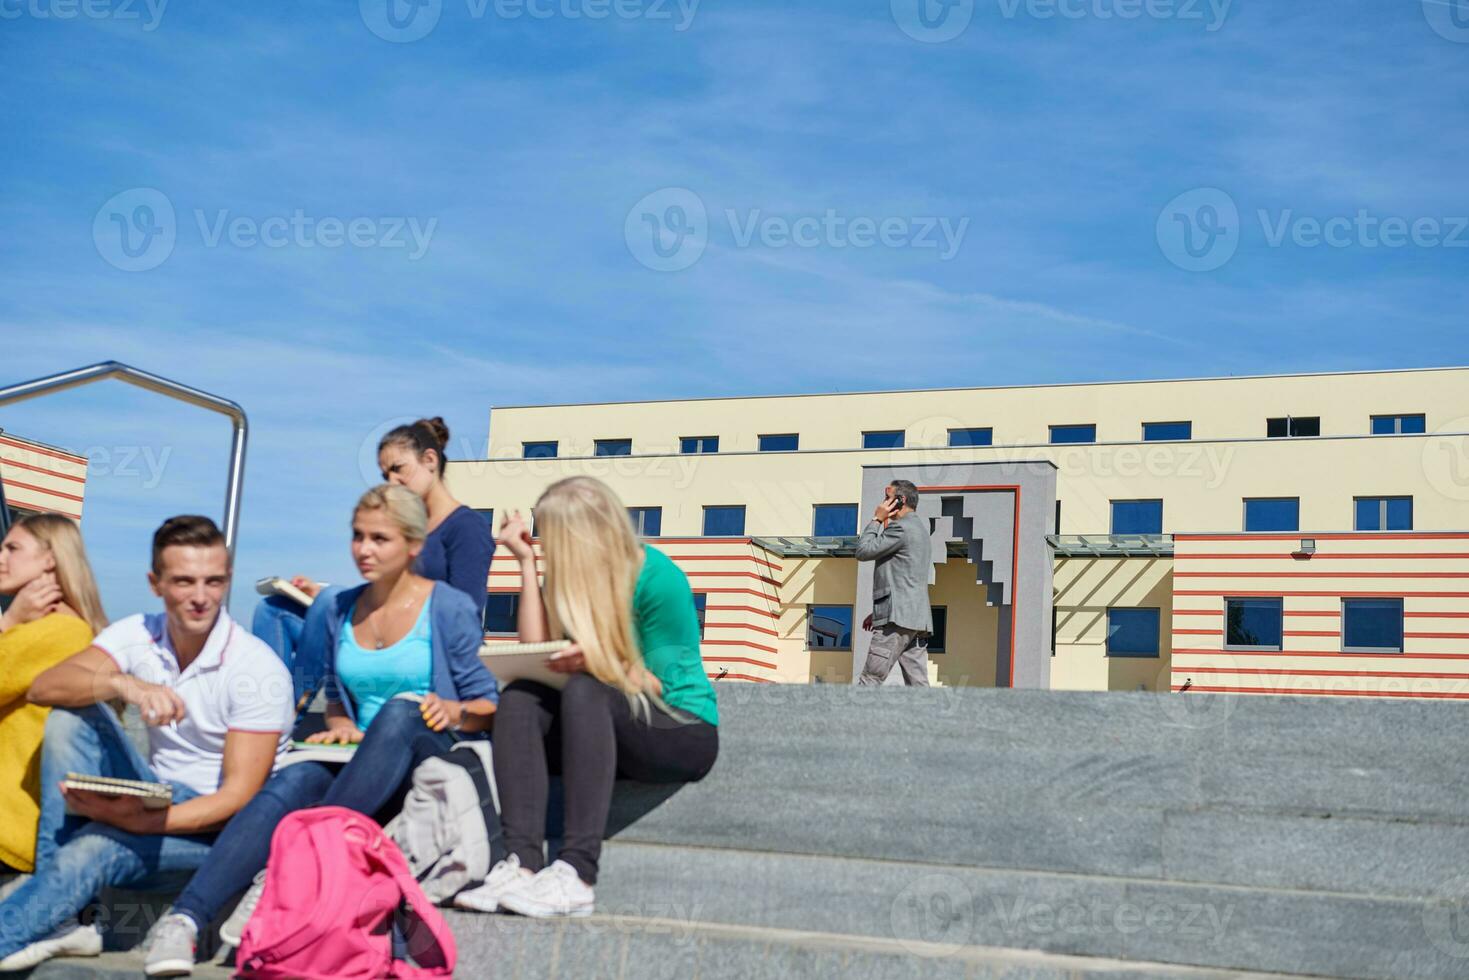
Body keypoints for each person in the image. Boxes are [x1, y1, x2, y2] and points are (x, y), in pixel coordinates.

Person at [143, 485, 498, 977]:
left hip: (426, 750)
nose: (364, 550)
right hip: (362, 765)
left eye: (380, 538)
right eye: (357, 536)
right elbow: (334, 697)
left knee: (399, 711)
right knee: (295, 778)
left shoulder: (448, 607)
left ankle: (283, 873)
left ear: (414, 545)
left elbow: (488, 704)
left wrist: (453, 709)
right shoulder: (338, 608)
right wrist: (340, 724)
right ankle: (184, 920)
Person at [0, 516, 293, 973]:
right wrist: (125, 684)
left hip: (214, 833)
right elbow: (45, 687)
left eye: (213, 582)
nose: (200, 597)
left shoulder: (256, 669)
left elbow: (238, 799)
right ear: (155, 583)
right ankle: (62, 919)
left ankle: (34, 924)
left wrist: (140, 822)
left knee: (94, 848)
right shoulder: (140, 632)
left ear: (227, 581)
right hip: (154, 792)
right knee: (71, 716)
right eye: (183, 581)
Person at [452, 476, 718, 919]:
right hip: (599, 719)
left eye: (551, 536)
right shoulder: (570, 578)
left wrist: (597, 661)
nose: (547, 544)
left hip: (680, 727)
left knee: (586, 687)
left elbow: (661, 685)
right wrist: (525, 563)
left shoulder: (657, 577)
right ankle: (522, 864)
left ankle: (577, 873)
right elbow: (536, 649)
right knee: (519, 696)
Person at [253, 417, 495, 710]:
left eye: (398, 469)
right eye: (385, 475)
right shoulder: (400, 526)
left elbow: (466, 611)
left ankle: (287, 717)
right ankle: (266, 712)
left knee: (331, 600)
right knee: (273, 610)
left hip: (422, 643)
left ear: (430, 460)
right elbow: (385, 591)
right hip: (379, 623)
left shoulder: (466, 527)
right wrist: (322, 599)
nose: (392, 482)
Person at [0, 514, 109, 877]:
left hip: (10, 833)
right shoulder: (54, 629)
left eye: (13, 548)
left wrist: (8, 622)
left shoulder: (61, 631)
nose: (1, 557)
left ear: (50, 559)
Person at [856, 479, 933, 687]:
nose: (883, 503)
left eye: (887, 498)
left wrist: (877, 519)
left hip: (897, 620)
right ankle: (930, 720)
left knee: (870, 679)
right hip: (915, 619)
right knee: (918, 686)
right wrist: (879, 612)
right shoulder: (919, 530)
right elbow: (905, 577)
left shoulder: (901, 528)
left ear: (901, 500)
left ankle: (853, 720)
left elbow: (863, 551)